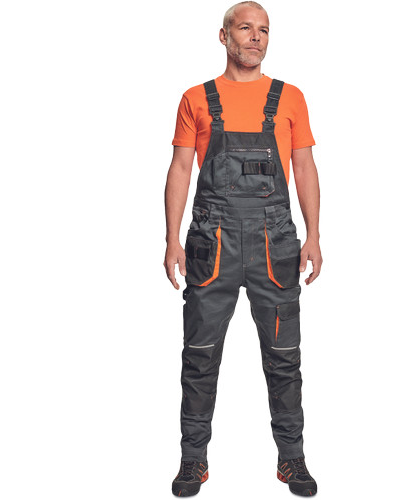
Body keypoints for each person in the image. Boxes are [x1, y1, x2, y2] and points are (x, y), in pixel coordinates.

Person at [164, 1, 322, 496]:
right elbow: (181, 168)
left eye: (264, 30)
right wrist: (171, 239)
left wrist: (314, 235)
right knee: (199, 356)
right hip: (211, 245)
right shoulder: (195, 98)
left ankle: (292, 459)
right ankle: (193, 461)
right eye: (246, 28)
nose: (256, 37)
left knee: (284, 357)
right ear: (224, 36)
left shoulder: (290, 97)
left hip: (276, 244)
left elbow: (304, 167)